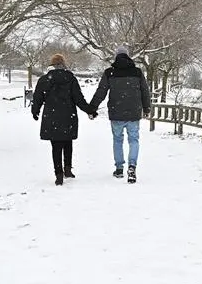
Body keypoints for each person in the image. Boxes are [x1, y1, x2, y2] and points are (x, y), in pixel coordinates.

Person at [31, 54, 97, 186]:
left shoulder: (44, 80)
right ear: (63, 64)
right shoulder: (70, 78)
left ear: (52, 64)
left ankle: (58, 174)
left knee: (55, 146)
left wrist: (35, 111)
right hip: (68, 115)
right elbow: (78, 98)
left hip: (51, 116)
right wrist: (90, 110)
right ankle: (68, 169)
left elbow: (37, 98)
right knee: (67, 142)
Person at [89, 46, 151, 184]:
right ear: (128, 56)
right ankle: (132, 166)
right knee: (133, 140)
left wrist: (92, 108)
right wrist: (146, 108)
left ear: (116, 57)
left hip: (116, 112)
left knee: (117, 140)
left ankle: (119, 168)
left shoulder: (110, 73)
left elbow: (101, 92)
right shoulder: (137, 72)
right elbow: (145, 91)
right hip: (134, 112)